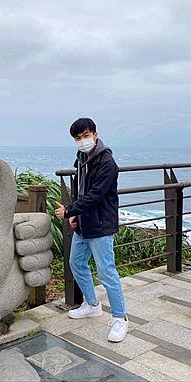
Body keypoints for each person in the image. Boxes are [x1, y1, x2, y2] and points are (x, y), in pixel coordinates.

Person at [55, 117, 128, 343]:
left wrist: (68, 210)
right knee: (76, 263)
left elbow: (96, 195)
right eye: (78, 138)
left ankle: (120, 318)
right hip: (84, 223)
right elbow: (81, 191)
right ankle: (92, 304)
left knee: (107, 271)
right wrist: (76, 214)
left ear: (95, 134)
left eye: (86, 136)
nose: (82, 141)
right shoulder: (81, 159)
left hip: (101, 225)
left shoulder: (106, 162)